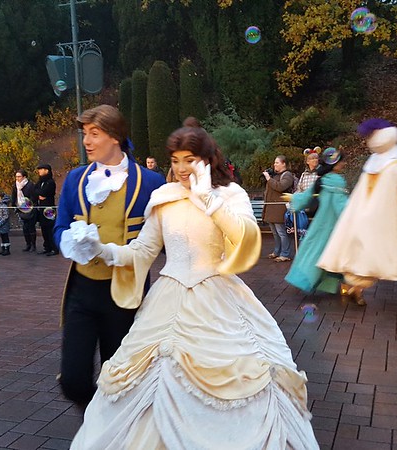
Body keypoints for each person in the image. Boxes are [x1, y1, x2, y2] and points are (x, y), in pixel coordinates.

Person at [67, 117, 318, 449]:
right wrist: (101, 250)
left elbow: (245, 238)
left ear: (207, 158)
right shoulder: (164, 196)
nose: (181, 169)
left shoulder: (230, 194)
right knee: (153, 376)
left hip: (218, 296)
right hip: (168, 297)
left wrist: (209, 200)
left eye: (189, 160)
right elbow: (142, 250)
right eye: (175, 161)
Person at [54, 104, 165, 408]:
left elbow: (160, 237)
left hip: (126, 294)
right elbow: (59, 225)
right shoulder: (76, 179)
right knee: (73, 379)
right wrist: (69, 241)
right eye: (85, 134)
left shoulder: (151, 183)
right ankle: (97, 420)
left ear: (115, 137)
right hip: (82, 290)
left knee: (118, 378)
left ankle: (110, 432)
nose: (86, 141)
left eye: (95, 133)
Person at [317, 118, 397, 307]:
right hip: (393, 221)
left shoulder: (371, 167)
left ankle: (354, 287)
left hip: (368, 220)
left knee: (368, 256)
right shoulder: (394, 165)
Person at [285, 147, 348, 294]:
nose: (344, 164)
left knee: (315, 250)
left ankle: (305, 278)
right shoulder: (336, 181)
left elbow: (306, 195)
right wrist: (354, 214)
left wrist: (294, 198)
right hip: (335, 225)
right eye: (342, 161)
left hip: (322, 223)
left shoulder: (322, 180)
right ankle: (344, 285)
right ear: (336, 164)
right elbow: (341, 205)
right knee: (339, 252)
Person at [262, 155, 295, 262]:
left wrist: (268, 179)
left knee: (282, 232)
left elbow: (280, 187)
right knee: (275, 233)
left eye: (277, 162)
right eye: (274, 162)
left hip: (279, 208)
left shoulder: (287, 175)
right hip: (271, 208)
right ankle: (277, 251)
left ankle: (285, 253)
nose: (274, 164)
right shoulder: (275, 176)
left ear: (283, 164)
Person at [34, 163, 59, 256]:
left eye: (41, 169)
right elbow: (35, 190)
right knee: (44, 228)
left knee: (50, 228)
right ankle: (47, 247)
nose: (39, 171)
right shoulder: (40, 182)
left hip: (49, 208)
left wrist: (41, 194)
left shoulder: (50, 182)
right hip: (41, 208)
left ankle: (54, 248)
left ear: (46, 171)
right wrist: (39, 195)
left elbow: (45, 192)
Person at [12, 169, 38, 252]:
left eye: (19, 176)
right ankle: (28, 244)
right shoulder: (15, 185)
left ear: (24, 177)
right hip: (20, 208)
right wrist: (14, 205)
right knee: (25, 227)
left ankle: (33, 245)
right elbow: (14, 195)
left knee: (31, 227)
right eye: (16, 176)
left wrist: (28, 205)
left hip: (29, 208)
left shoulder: (30, 185)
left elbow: (33, 197)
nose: (17, 178)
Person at [296, 147, 321, 220]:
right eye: (312, 159)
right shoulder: (304, 174)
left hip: (318, 204)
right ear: (307, 162)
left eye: (316, 158)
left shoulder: (321, 172)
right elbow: (299, 188)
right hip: (306, 204)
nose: (315, 160)